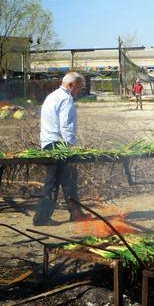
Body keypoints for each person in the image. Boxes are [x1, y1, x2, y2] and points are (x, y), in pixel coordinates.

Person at [33, 72, 91, 226]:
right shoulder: (66, 98)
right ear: (71, 85)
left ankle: (76, 213)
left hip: (48, 142)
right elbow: (66, 125)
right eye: (79, 87)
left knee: (68, 178)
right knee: (52, 181)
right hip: (58, 144)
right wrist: (69, 145)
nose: (79, 91)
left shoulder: (52, 96)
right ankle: (41, 217)